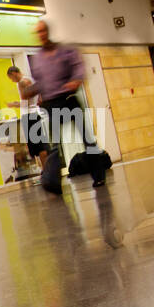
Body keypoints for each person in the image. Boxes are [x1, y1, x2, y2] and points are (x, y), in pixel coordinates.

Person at [22, 19, 104, 187]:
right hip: (52, 104)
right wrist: (34, 92)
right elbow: (41, 82)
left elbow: (78, 67)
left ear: (48, 32)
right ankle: (54, 183)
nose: (42, 35)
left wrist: (76, 80)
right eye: (38, 32)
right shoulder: (38, 59)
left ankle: (99, 175)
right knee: (54, 145)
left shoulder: (65, 50)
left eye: (43, 31)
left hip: (69, 99)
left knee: (87, 138)